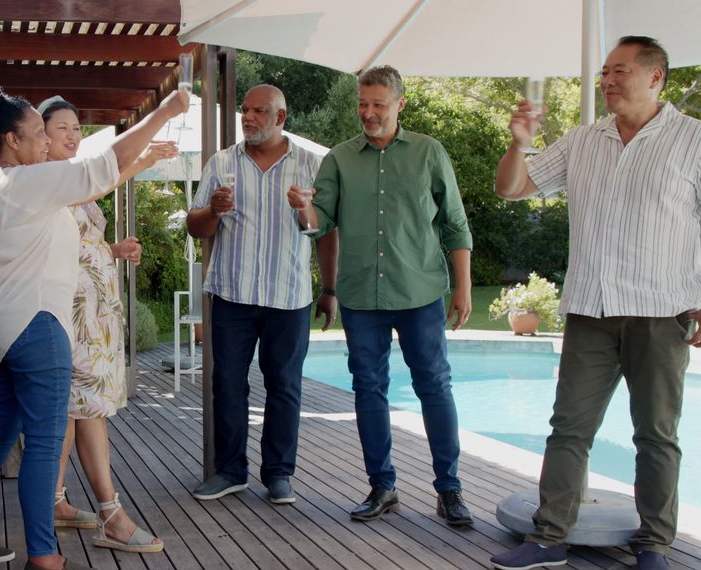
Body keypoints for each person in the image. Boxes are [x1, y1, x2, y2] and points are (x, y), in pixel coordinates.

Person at [0, 86, 188, 570]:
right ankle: (44, 555)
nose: (46, 143)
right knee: (43, 441)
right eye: (38, 134)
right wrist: (164, 111)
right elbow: (102, 165)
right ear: (12, 141)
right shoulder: (28, 182)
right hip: (37, 325)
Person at [489, 36, 701, 570]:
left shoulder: (693, 141)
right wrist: (518, 143)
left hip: (663, 311)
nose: (606, 80)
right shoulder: (583, 140)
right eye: (604, 71)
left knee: (656, 436)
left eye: (619, 71)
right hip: (589, 309)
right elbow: (511, 189)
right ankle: (549, 537)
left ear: (655, 77)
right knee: (569, 429)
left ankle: (654, 544)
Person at [291, 65, 474, 527]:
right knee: (368, 388)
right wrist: (302, 209)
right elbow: (320, 224)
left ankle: (449, 490)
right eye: (362, 104)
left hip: (420, 291)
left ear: (399, 104)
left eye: (378, 104)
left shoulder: (429, 152)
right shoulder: (338, 158)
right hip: (361, 295)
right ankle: (382, 485)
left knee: (434, 386)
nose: (368, 113)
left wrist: (464, 286)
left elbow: (454, 223)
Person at [36, 95, 174, 553]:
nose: (73, 135)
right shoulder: (47, 179)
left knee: (75, 411)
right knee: (85, 410)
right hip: (72, 318)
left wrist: (111, 251)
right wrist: (142, 155)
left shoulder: (67, 179)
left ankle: (55, 502)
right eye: (62, 128)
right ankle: (110, 513)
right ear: (41, 136)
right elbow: (93, 186)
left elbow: (76, 238)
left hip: (94, 317)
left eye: (77, 127)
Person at [186, 84, 327, 505]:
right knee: (228, 383)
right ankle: (230, 471)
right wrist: (212, 210)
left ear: (280, 118)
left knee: (284, 386)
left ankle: (279, 474)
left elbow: (323, 228)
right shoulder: (221, 163)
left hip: (289, 296)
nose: (247, 118)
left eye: (258, 112)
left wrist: (305, 210)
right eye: (244, 110)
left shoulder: (310, 165)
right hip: (233, 293)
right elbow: (196, 226)